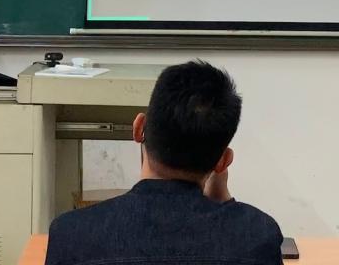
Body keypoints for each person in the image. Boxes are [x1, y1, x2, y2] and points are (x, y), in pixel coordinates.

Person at [45, 60, 284, 265]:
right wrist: (226, 204)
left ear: (139, 128)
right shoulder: (257, 236)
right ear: (223, 162)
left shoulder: (71, 235)